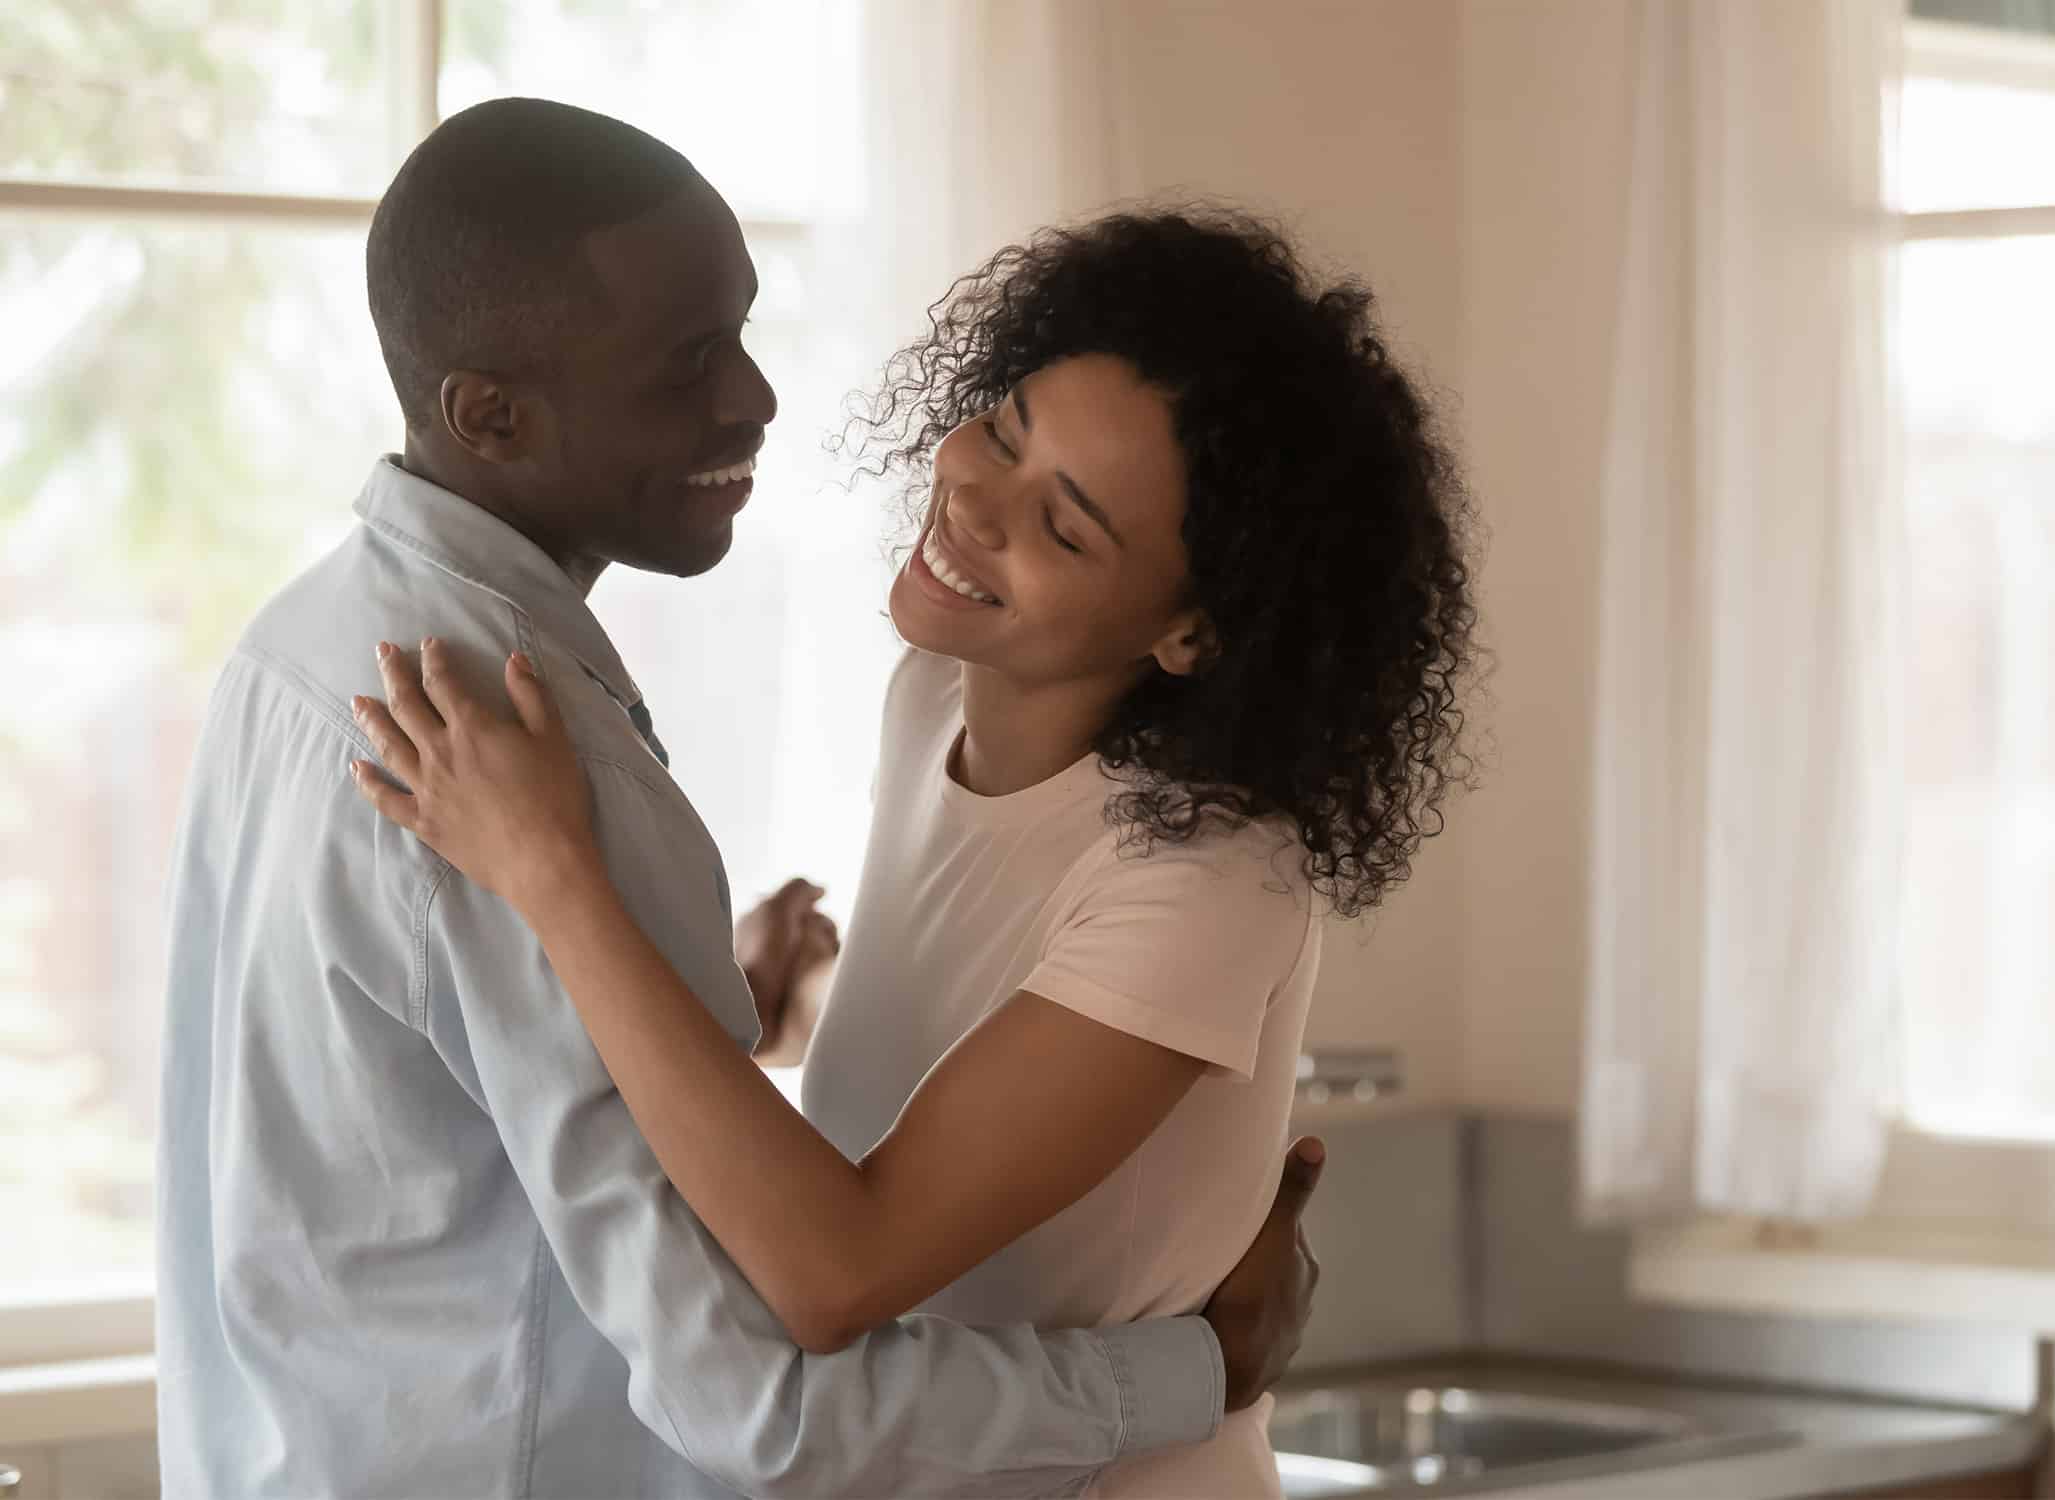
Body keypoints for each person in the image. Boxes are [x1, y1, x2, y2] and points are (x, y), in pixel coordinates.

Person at [155, 98, 1325, 1500]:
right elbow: (762, 1401)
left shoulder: (298, 650)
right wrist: (1199, 1365)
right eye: (686, 362)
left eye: (1069, 518)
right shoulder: (528, 777)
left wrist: (696, 989)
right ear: (493, 413)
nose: (756, 397)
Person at [348, 207, 1478, 1495]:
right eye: (1003, 430)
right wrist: (785, 1004)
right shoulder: (933, 694)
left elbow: (841, 1268)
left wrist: (550, 872)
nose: (976, 499)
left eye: (1066, 527)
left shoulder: (1209, 875)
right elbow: (976, 1038)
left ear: (1195, 632)